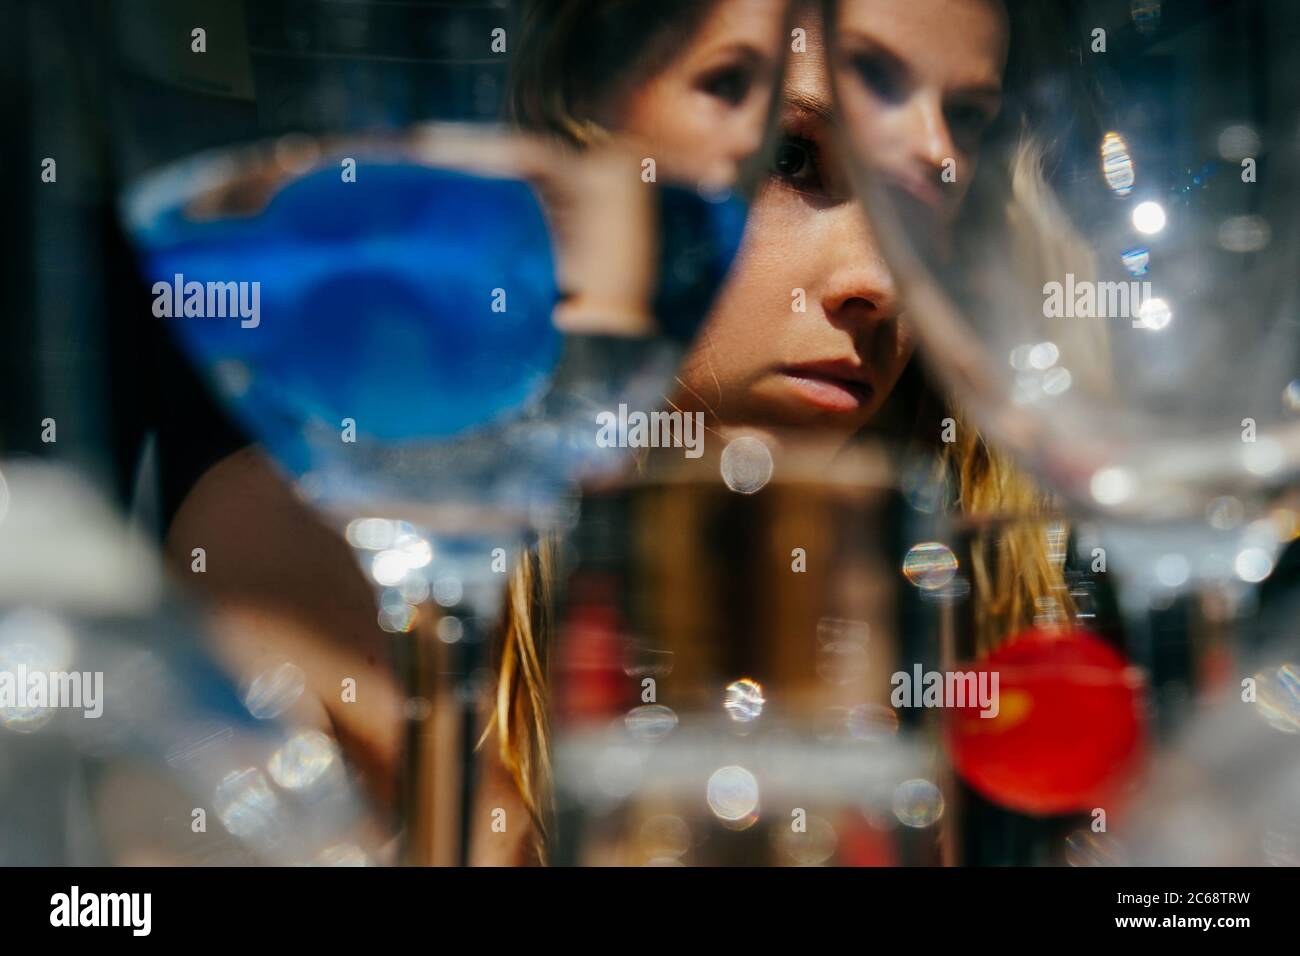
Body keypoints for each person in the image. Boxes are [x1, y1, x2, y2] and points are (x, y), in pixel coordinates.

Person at [168, 0, 1085, 863]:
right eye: (792, 158)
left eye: (927, 191)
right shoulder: (334, 543)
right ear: (579, 128)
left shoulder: (999, 582)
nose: (880, 280)